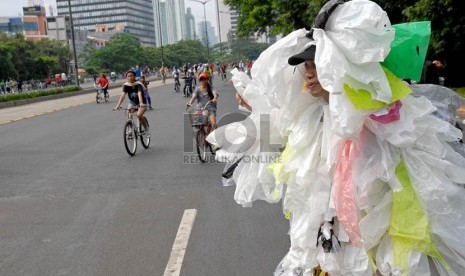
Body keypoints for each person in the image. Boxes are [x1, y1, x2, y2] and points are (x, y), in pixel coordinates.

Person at [207, 0, 465, 275]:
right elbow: (281, 143)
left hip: (366, 245)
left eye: (316, 64)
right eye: (305, 65)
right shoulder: (308, 117)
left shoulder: (377, 116)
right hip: (324, 241)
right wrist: (256, 107)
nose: (308, 73)